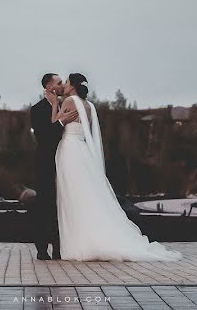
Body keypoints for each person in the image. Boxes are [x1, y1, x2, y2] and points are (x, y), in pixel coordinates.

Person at [55, 73, 182, 261]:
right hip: (83, 151)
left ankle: (79, 240)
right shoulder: (90, 106)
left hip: (69, 148)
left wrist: (54, 101)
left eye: (66, 82)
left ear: (72, 85)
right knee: (88, 193)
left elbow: (55, 123)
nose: (64, 85)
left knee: (72, 193)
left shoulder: (69, 101)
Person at [29, 72, 78, 260]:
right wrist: (61, 121)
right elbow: (45, 138)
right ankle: (42, 249)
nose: (62, 85)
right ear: (49, 87)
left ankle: (59, 248)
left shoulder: (66, 105)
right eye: (59, 82)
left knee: (61, 205)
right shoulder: (37, 109)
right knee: (44, 205)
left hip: (65, 161)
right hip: (45, 163)